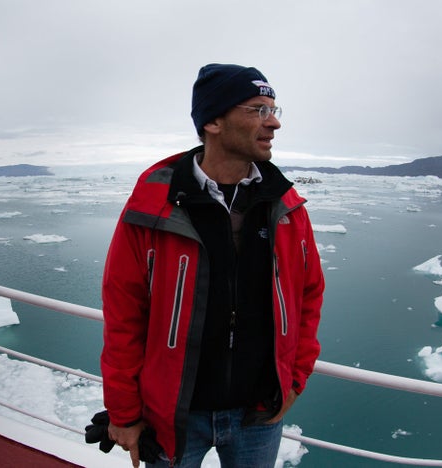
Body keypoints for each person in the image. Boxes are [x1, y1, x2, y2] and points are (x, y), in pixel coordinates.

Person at [100, 63, 324, 467]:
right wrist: (124, 411)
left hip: (260, 413)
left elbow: (309, 295)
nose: (273, 123)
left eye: (274, 110)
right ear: (214, 121)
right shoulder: (153, 207)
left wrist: (295, 379)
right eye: (258, 109)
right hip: (173, 415)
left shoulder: (285, 206)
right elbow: (124, 314)